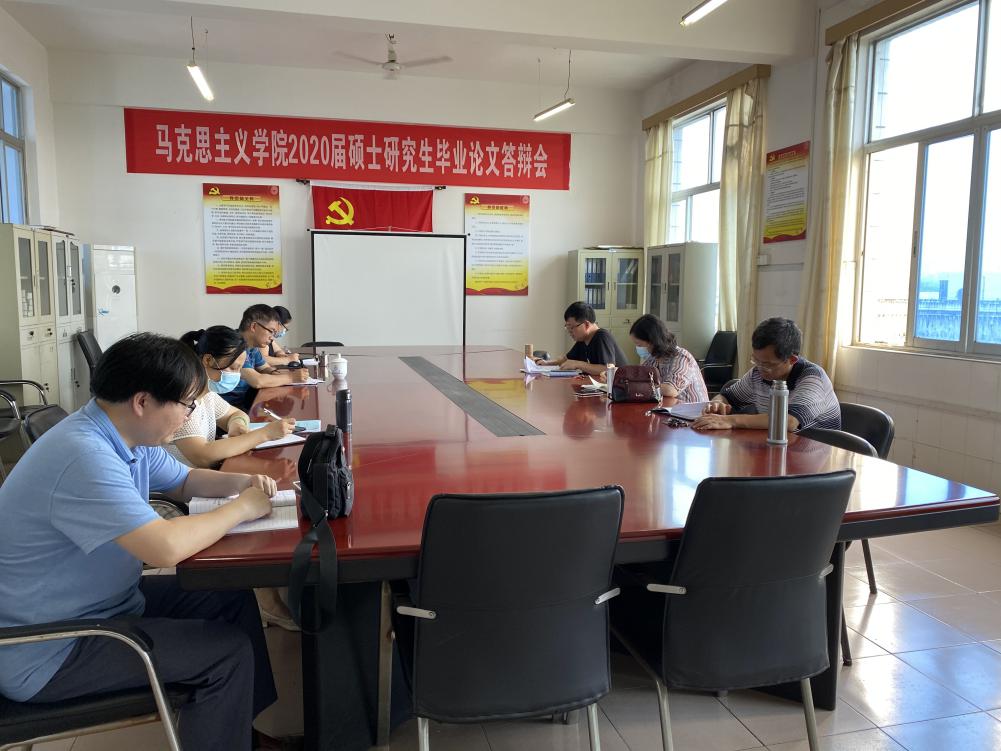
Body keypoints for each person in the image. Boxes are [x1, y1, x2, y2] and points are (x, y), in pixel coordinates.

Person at [0, 333, 281, 751]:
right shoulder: (83, 455)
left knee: (229, 597)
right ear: (143, 402)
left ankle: (239, 733)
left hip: (106, 603)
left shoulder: (124, 434)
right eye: (186, 405)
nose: (189, 415)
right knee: (226, 653)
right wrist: (242, 509)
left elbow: (185, 481)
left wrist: (243, 482)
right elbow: (164, 548)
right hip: (50, 647)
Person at [168, 325, 297, 468]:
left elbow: (236, 414)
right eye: (233, 367)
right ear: (208, 360)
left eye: (240, 369)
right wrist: (266, 434)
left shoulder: (208, 395)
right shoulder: (182, 402)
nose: (237, 375)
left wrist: (237, 425)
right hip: (186, 480)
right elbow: (203, 455)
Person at [692, 317, 841, 432]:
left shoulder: (813, 378)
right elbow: (727, 396)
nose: (760, 368)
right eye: (756, 360)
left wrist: (730, 420)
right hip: (779, 446)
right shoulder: (758, 373)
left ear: (792, 360)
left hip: (816, 452)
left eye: (768, 364)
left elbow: (789, 422)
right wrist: (717, 404)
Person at [223, 304, 309, 410]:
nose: (272, 338)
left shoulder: (252, 346)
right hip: (228, 407)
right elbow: (257, 381)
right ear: (254, 327)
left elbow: (265, 368)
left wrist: (280, 374)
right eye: (271, 331)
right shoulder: (234, 346)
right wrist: (291, 378)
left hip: (244, 402)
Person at [629, 314, 708, 403]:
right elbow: (638, 378)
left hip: (693, 410)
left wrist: (637, 387)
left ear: (653, 341)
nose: (638, 348)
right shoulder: (653, 360)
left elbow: (670, 390)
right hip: (669, 408)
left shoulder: (682, 358)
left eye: (639, 345)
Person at [535, 301, 627, 377]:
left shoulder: (602, 336)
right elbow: (566, 360)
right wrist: (546, 363)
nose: (569, 331)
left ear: (586, 325)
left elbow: (607, 369)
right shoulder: (583, 339)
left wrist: (578, 364)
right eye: (567, 327)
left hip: (618, 388)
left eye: (571, 327)